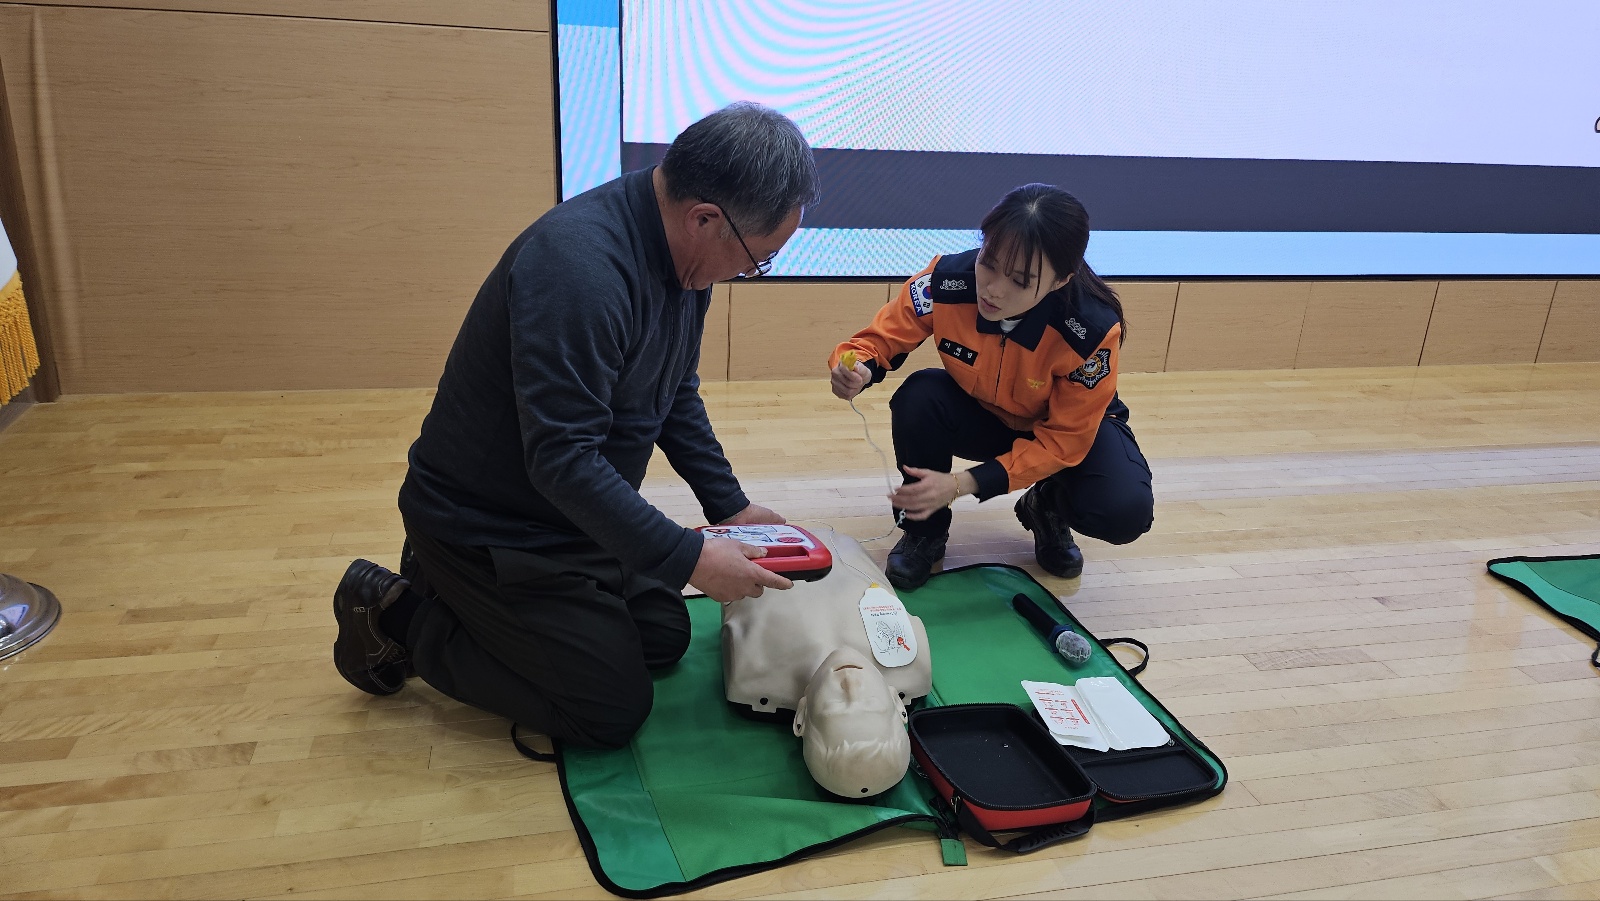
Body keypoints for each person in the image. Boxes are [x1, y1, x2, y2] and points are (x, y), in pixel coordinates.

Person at [331, 102, 821, 750]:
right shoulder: (579, 270)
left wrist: (728, 505)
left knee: (663, 635)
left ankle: (463, 595)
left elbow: (675, 388)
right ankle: (399, 614)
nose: (748, 273)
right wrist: (690, 557)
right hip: (488, 524)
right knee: (608, 709)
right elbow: (562, 459)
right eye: (758, 260)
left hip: (565, 515)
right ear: (705, 219)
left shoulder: (683, 253)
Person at [829, 184, 1153, 591]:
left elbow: (1064, 441)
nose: (993, 288)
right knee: (919, 397)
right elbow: (879, 338)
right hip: (988, 415)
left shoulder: (1090, 331)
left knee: (1123, 510)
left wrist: (963, 483)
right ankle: (925, 532)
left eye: (1019, 280)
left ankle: (1046, 506)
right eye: (989, 262)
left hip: (1070, 431)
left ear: (1060, 281)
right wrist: (856, 366)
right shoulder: (946, 282)